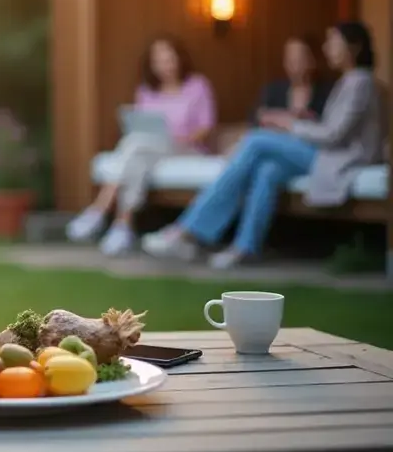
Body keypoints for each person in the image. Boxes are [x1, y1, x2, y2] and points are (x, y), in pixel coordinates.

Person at [142, 21, 385, 270]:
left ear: (353, 47)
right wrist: (300, 121)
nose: (327, 48)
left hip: (339, 157)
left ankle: (187, 229)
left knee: (257, 140)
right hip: (328, 152)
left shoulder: (359, 82)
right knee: (267, 170)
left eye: (333, 42)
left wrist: (288, 123)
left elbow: (334, 135)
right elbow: (334, 128)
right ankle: (245, 246)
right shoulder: (349, 81)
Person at [66, 35, 217, 256]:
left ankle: (99, 212)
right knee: (137, 149)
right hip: (151, 149)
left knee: (135, 145)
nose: (164, 65)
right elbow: (142, 123)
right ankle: (122, 225)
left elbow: (207, 126)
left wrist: (184, 139)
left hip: (186, 148)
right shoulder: (146, 91)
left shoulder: (198, 86)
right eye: (158, 60)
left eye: (168, 59)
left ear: (179, 59)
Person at [252, 34, 332, 124]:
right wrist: (283, 117)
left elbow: (329, 127)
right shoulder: (273, 90)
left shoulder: (327, 92)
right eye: (289, 59)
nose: (293, 66)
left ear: (313, 61)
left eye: (298, 60)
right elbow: (255, 117)